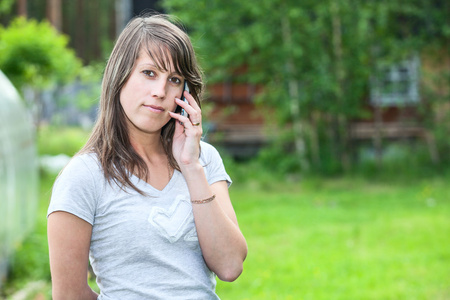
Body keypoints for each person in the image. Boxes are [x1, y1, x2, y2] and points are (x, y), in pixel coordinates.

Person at [47, 14, 247, 300]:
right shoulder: (83, 176)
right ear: (120, 75)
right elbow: (69, 295)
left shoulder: (204, 159)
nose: (160, 92)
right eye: (149, 73)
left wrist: (191, 166)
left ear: (185, 93)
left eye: (174, 79)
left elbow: (230, 266)